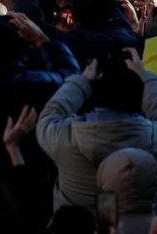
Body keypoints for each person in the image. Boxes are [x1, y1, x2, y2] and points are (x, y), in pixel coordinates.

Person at [36, 48, 157, 213]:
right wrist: (144, 76)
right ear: (139, 97)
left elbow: (50, 114)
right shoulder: (153, 137)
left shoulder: (64, 137)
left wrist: (83, 79)